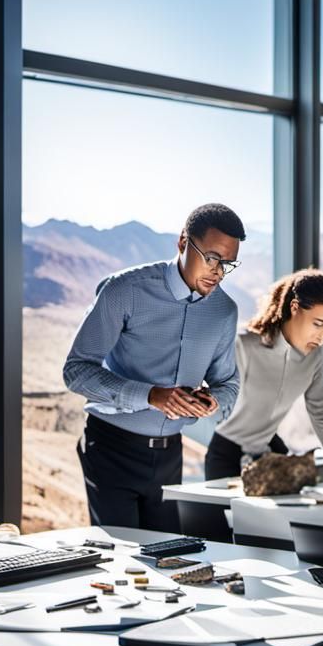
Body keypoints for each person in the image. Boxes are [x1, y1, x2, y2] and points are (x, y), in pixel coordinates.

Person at [63, 203, 244, 529]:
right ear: (183, 242)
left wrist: (212, 401)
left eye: (227, 264)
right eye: (212, 258)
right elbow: (76, 370)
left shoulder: (224, 312)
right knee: (120, 560)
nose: (218, 271)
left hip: (170, 455)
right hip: (111, 449)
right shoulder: (125, 290)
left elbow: (228, 384)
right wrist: (150, 395)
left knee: (164, 559)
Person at [205, 269, 323, 481]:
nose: (322, 336)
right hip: (227, 455)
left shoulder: (314, 355)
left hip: (272, 453)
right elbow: (217, 401)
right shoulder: (244, 344)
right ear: (294, 307)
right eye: (318, 324)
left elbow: (321, 415)